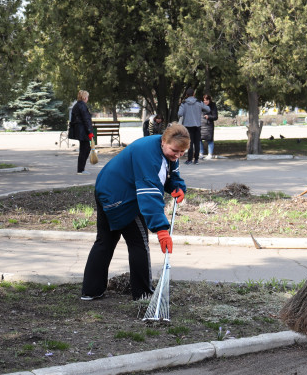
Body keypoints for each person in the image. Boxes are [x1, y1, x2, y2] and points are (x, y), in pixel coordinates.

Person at [81, 123, 189, 300]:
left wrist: (176, 186)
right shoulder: (148, 154)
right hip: (120, 196)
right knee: (138, 242)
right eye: (174, 151)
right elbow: (150, 192)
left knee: (105, 240)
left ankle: (91, 290)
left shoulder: (167, 149)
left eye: (181, 153)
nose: (177, 156)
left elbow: (170, 172)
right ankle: (143, 294)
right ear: (164, 141)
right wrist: (162, 230)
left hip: (108, 188)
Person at [177, 88, 209, 164]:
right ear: (194, 94)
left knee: (189, 143)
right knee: (197, 143)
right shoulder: (199, 102)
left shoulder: (184, 103)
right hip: (197, 125)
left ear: (186, 95)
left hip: (187, 125)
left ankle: (189, 159)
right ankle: (196, 159)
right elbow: (208, 109)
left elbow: (180, 114)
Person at [68, 89, 94, 174]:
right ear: (84, 97)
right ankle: (81, 170)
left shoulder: (77, 105)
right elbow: (86, 119)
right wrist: (90, 131)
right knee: (85, 149)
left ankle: (81, 169)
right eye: (87, 97)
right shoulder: (82, 106)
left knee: (85, 149)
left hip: (80, 131)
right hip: (83, 131)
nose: (88, 98)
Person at [200, 94, 219, 159]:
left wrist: (209, 117)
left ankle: (210, 154)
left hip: (209, 125)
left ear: (209, 100)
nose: (205, 102)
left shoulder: (213, 106)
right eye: (204, 100)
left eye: (207, 100)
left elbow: (215, 117)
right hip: (201, 125)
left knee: (210, 140)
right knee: (199, 139)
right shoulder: (200, 106)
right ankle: (201, 153)